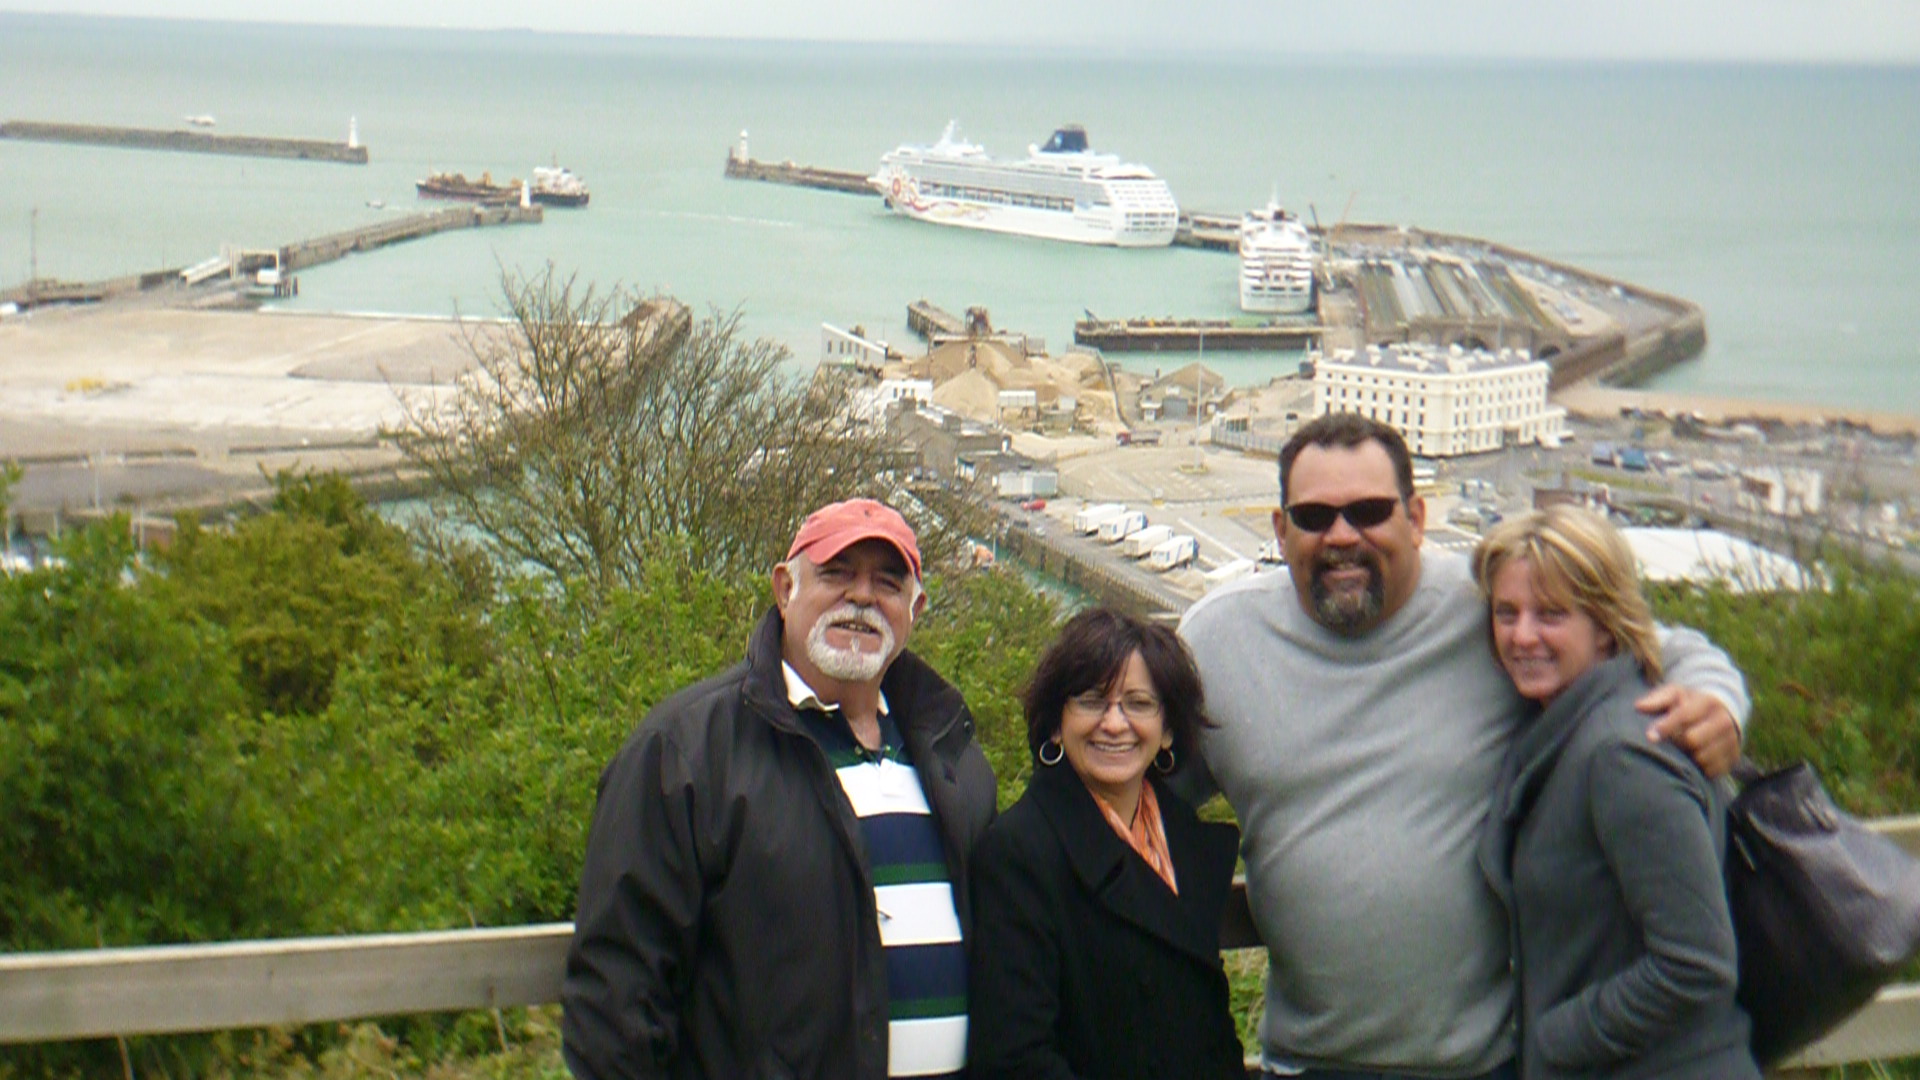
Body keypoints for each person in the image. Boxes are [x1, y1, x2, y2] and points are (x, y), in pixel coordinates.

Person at [1176, 412, 1750, 1080]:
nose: (1341, 536)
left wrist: (1719, 703)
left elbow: (1658, 644)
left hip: (1484, 1064)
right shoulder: (1218, 641)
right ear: (1281, 530)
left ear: (1416, 518)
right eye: (1313, 516)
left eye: (1368, 511)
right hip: (1306, 1061)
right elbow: (1137, 795)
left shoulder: (1488, 607)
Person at [562, 498, 997, 1080]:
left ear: (914, 609)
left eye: (886, 582)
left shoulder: (955, 757)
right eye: (836, 573)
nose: (862, 597)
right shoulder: (686, 751)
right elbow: (618, 991)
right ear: (784, 587)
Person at [1472, 506, 1760, 1080]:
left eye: (1551, 614)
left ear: (1605, 624)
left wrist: (1554, 1039)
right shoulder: (1566, 730)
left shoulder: (1621, 755)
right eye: (1507, 613)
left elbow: (1697, 964)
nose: (1522, 635)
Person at [969, 607, 1245, 1080]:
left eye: (1138, 703)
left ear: (1169, 730)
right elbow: (1016, 1056)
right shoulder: (1019, 852)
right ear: (1056, 724)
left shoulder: (1183, 837)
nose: (1115, 724)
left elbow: (1210, 1030)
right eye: (1093, 701)